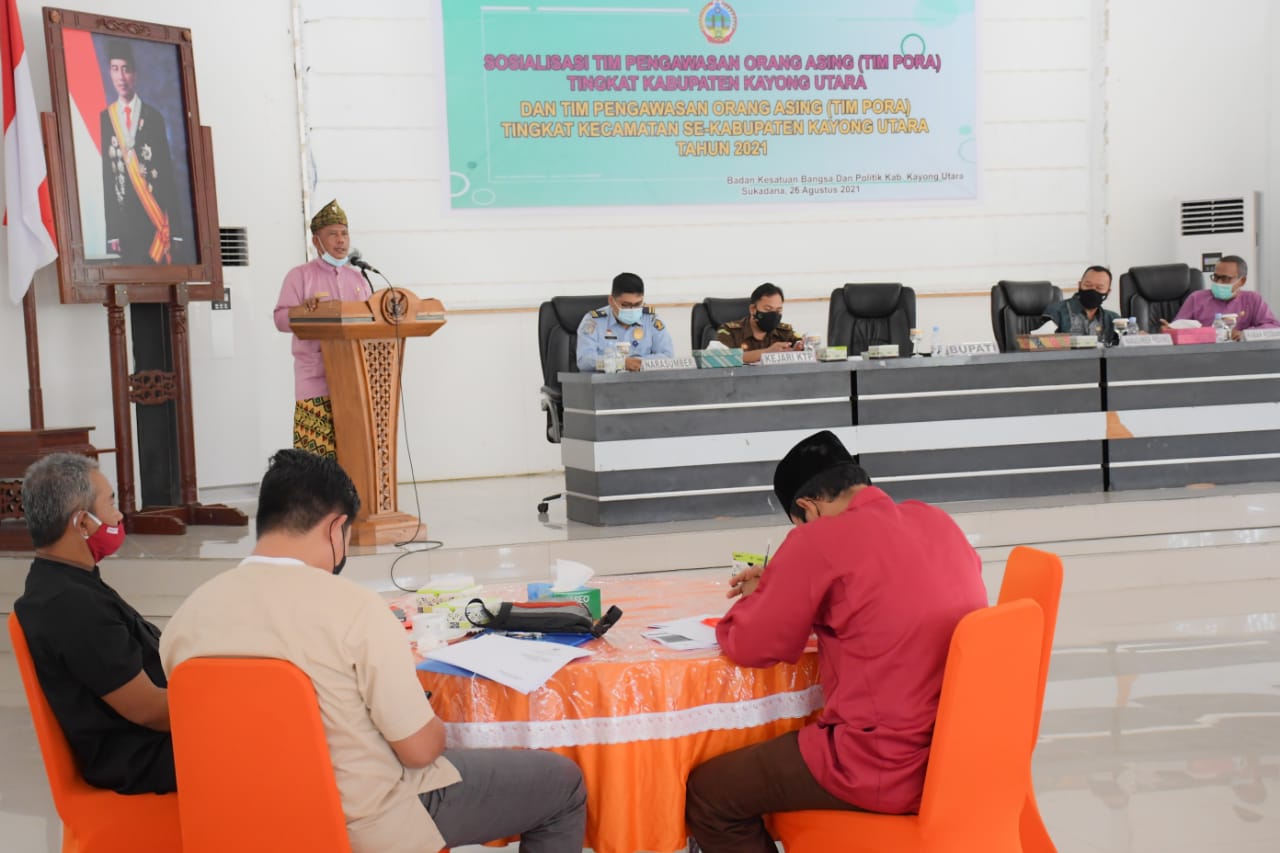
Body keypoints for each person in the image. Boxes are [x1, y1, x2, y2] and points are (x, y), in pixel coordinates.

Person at [160, 450, 586, 853]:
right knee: (562, 784)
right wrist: (434, 725)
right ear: (334, 527)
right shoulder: (353, 608)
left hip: (236, 824)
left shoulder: (187, 616)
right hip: (362, 824)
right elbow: (419, 750)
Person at [684, 431, 988, 852]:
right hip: (963, 755)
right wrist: (783, 587)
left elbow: (755, 646)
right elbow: (882, 605)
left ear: (807, 507)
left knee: (711, 793)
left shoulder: (817, 539)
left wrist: (758, 598)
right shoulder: (938, 521)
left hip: (881, 762)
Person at [12, 453, 174, 794]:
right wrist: (223, 706)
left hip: (150, 738)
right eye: (111, 503)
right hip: (142, 756)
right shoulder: (68, 605)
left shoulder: (67, 581)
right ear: (82, 523)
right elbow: (147, 710)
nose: (119, 516)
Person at [273, 200, 373, 459]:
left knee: (353, 456)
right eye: (333, 234)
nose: (341, 241)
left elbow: (372, 323)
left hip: (354, 380)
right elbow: (281, 320)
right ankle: (315, 501)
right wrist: (304, 312)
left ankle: (352, 500)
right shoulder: (300, 276)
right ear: (317, 241)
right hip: (314, 381)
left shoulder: (359, 279)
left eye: (344, 233)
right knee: (315, 460)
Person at [99, 39, 186, 265]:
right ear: (109, 72)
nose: (121, 77)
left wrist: (174, 228)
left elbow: (166, 174)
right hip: (124, 225)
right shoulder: (105, 119)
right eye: (115, 69)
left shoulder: (154, 117)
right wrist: (112, 233)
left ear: (135, 74)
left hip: (153, 222)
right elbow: (107, 180)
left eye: (126, 69)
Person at [576, 272, 675, 371]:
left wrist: (638, 363)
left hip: (644, 383)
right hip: (606, 383)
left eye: (637, 304)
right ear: (611, 300)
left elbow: (668, 356)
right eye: (625, 305)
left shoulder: (651, 320)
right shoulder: (594, 321)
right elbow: (584, 361)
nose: (632, 309)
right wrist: (619, 363)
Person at [1166, 256, 1279, 339]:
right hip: (1203, 355)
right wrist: (1170, 329)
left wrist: (1244, 333)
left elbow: (1273, 327)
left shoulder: (1253, 299)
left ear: (1242, 281)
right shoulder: (1196, 298)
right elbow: (1177, 329)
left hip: (1241, 356)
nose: (1218, 282)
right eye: (1216, 277)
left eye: (1225, 278)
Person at [714, 282, 803, 363]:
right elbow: (720, 358)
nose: (774, 315)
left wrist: (799, 349)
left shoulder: (785, 332)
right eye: (768, 309)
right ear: (753, 309)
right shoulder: (729, 331)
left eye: (778, 310)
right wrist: (768, 353)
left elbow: (804, 347)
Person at [1042, 265, 1120, 342]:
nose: (1092, 290)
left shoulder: (1113, 319)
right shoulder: (1056, 312)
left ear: (1108, 292)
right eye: (1088, 285)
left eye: (1099, 288)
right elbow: (1043, 345)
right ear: (1079, 285)